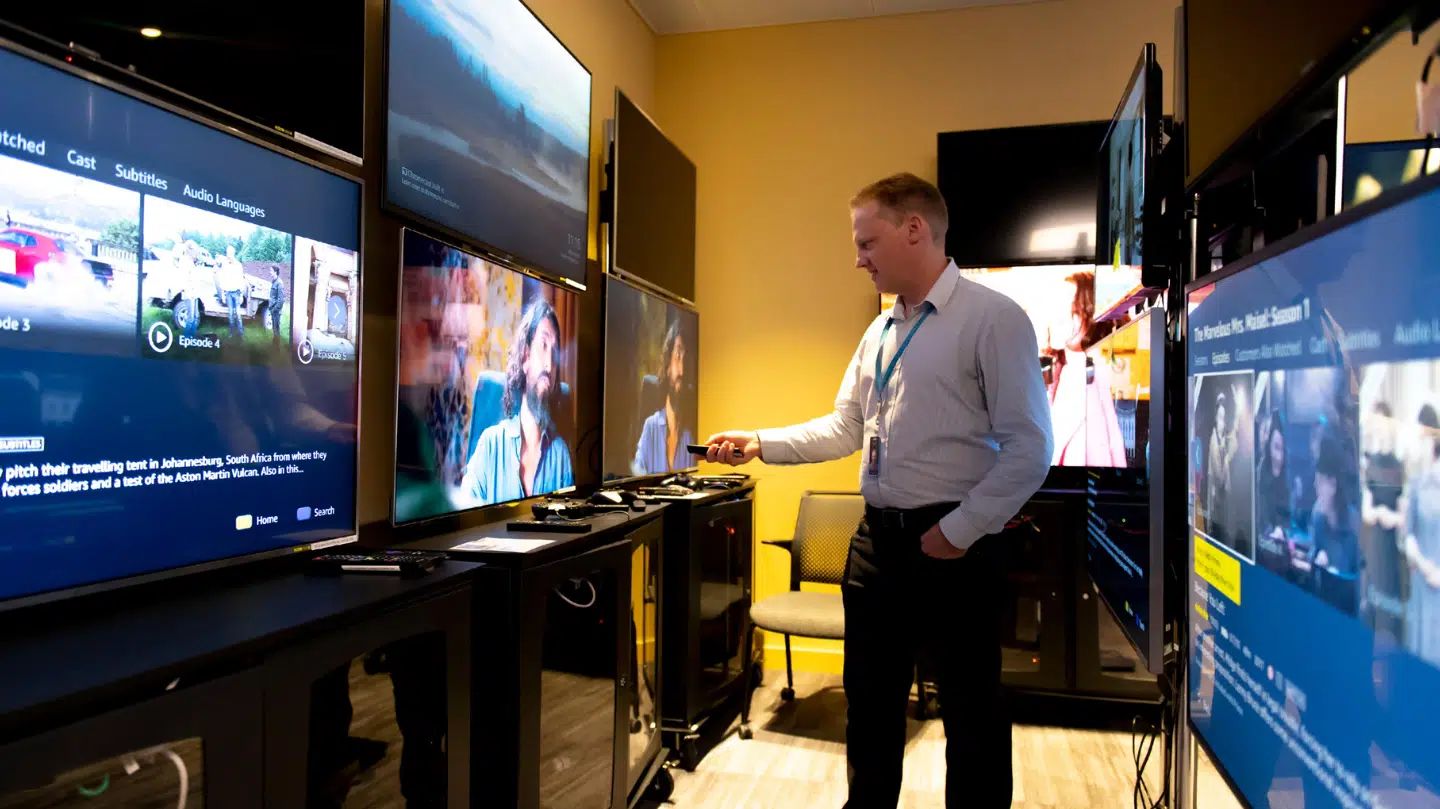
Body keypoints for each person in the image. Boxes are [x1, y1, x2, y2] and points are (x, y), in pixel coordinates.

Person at [704, 173, 1052, 809]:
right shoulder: (880, 332)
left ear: (914, 229)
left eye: (867, 242)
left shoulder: (993, 320)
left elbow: (1031, 448)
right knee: (868, 709)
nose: (857, 258)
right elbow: (844, 428)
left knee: (971, 716)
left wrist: (959, 530)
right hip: (877, 547)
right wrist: (760, 441)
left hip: (956, 546)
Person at [460, 298, 574, 506]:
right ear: (525, 358)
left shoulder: (560, 457)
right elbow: (462, 524)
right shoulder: (490, 446)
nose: (549, 365)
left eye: (554, 353)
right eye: (543, 345)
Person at [1361, 400, 1407, 638]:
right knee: (1371, 610)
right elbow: (1367, 512)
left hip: (1391, 547)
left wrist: (1394, 518)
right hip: (1375, 545)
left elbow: (1404, 515)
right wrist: (1381, 514)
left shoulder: (1399, 466)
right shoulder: (1370, 465)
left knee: (1393, 614)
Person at [1404, 404, 1440, 667]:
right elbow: (1407, 535)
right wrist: (1423, 563)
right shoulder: (1416, 482)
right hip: (1422, 586)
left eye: (1421, 436)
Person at [632, 320, 693, 475]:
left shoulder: (692, 433)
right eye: (678, 355)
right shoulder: (650, 427)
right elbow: (637, 478)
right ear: (667, 364)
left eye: (687, 360)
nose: (682, 370)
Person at [216, 245, 248, 338]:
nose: (228, 255)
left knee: (237, 313)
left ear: (233, 253)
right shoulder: (225, 265)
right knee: (230, 313)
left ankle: (241, 333)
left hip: (237, 293)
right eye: (227, 253)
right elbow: (222, 279)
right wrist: (222, 293)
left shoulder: (238, 265)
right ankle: (231, 332)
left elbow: (240, 279)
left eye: (230, 253)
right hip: (228, 293)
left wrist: (241, 294)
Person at [268, 265, 286, 346]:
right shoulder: (274, 282)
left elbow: (281, 300)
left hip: (276, 311)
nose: (270, 272)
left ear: (275, 272)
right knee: (274, 329)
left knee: (276, 330)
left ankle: (276, 347)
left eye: (271, 271)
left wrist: (275, 309)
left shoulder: (279, 283)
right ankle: (274, 345)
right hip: (273, 309)